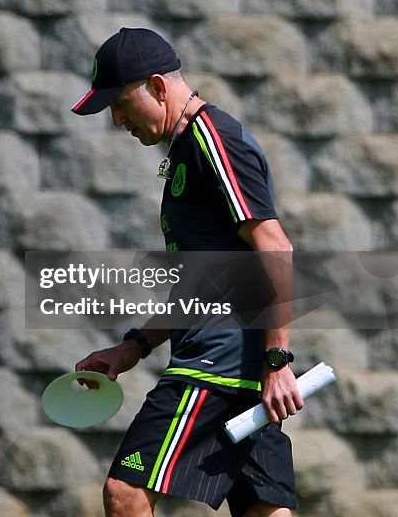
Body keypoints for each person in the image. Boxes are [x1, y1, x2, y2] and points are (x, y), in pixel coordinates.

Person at [71, 28, 303, 517]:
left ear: (158, 87)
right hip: (237, 371)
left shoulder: (212, 139)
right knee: (267, 512)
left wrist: (278, 360)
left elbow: (274, 246)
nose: (116, 119)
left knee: (126, 491)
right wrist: (133, 346)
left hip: (215, 368)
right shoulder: (188, 150)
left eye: (120, 103)